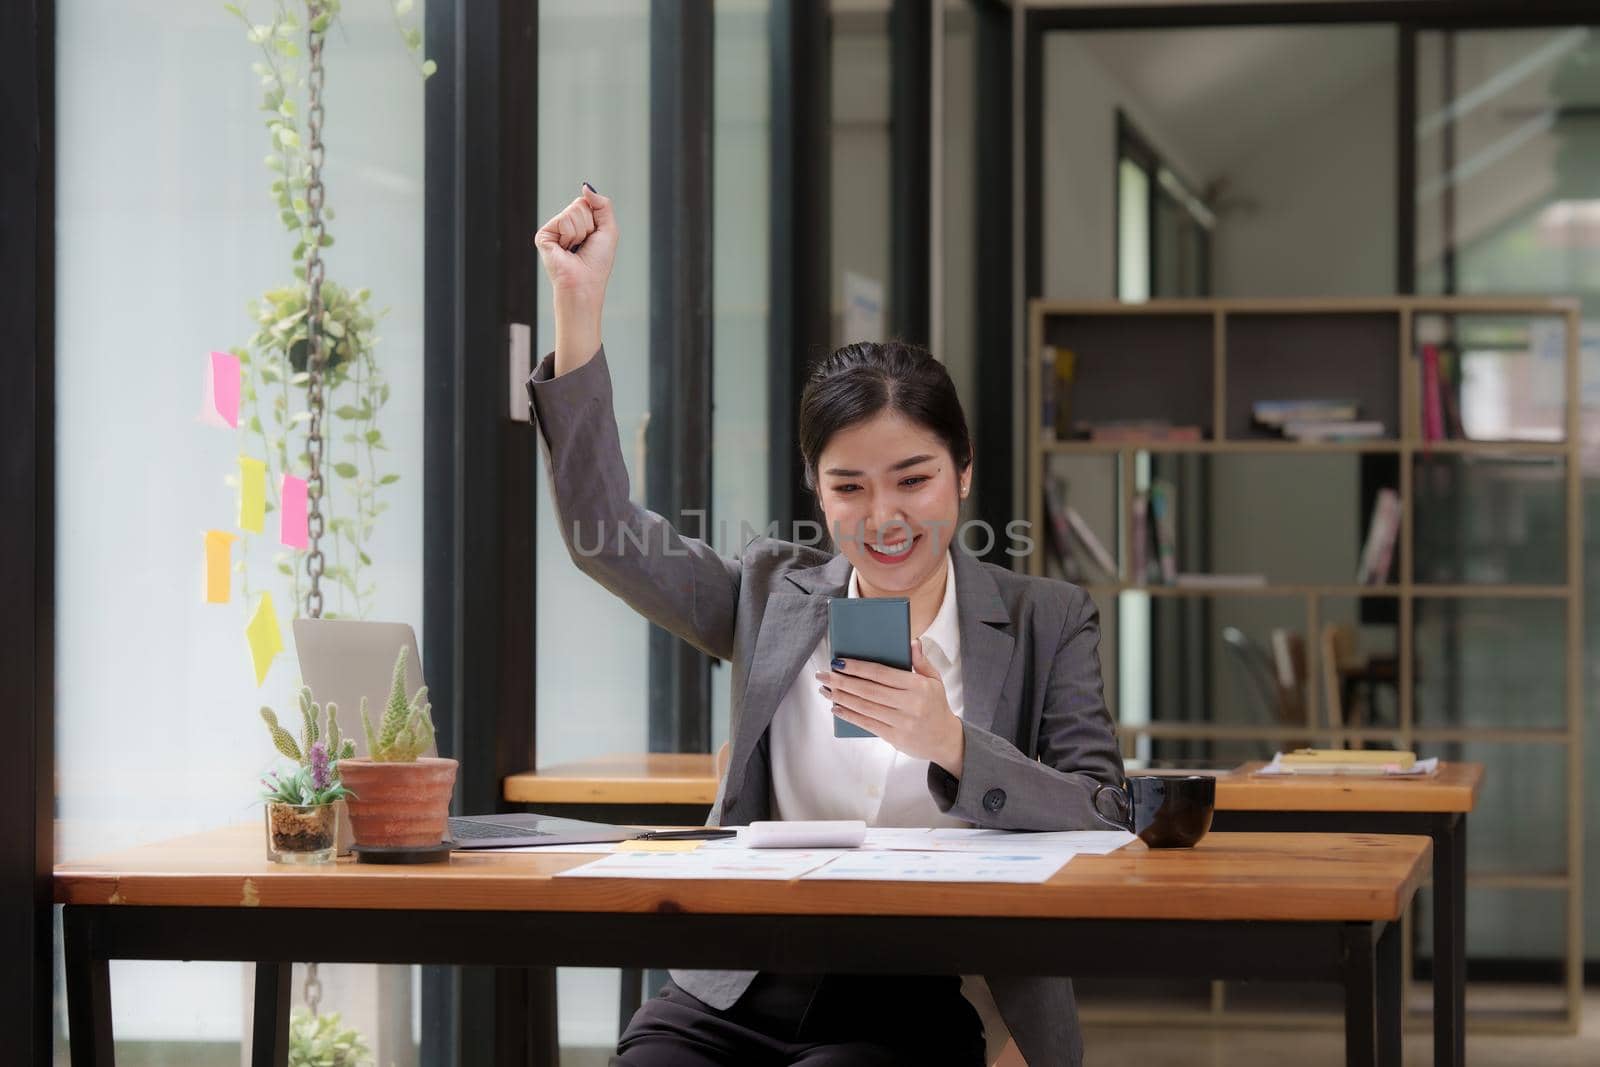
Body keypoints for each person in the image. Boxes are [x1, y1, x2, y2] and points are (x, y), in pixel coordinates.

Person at [528, 183, 1126, 1067]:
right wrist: (578, 306)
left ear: (963, 473)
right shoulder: (772, 591)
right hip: (735, 984)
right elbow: (602, 534)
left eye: (912, 478)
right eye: (848, 486)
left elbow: (1107, 814)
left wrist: (953, 742)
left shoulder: (1046, 618)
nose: (883, 515)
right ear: (816, 487)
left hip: (908, 1002)